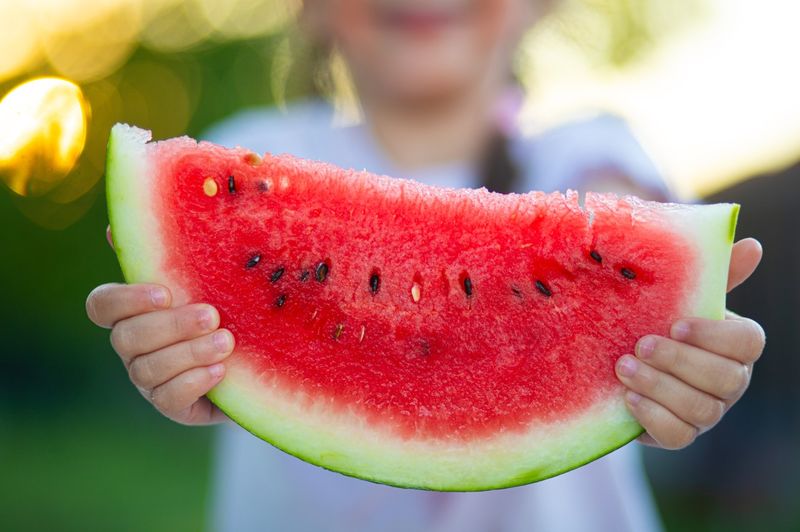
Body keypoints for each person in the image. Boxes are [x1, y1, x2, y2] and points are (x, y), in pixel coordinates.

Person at [86, 1, 766, 530]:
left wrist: (672, 358)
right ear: (311, 9)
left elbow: (626, 220)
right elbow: (191, 287)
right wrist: (181, 355)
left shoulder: (587, 153)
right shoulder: (253, 151)